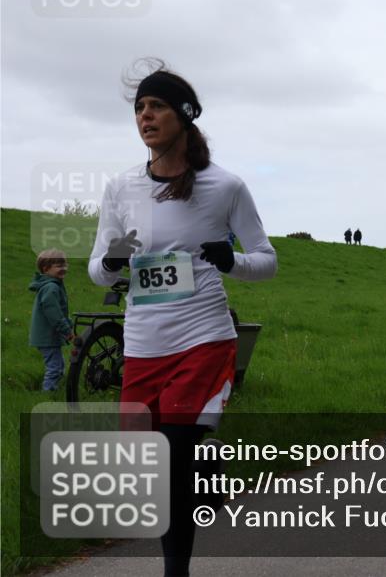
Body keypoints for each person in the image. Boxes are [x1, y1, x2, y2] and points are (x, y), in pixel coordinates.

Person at [88, 61, 277, 577]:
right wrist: (111, 263)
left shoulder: (224, 186)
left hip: (203, 339)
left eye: (157, 107)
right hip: (143, 346)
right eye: (139, 108)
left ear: (185, 116)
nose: (145, 117)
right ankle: (208, 467)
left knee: (171, 463)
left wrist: (230, 260)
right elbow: (96, 272)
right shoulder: (121, 187)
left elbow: (268, 260)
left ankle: (176, 570)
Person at [29, 249, 74, 391]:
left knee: (58, 366)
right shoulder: (51, 287)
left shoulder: (54, 285)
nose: (64, 269)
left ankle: (52, 391)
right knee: (54, 368)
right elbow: (53, 313)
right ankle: (47, 394)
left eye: (65, 265)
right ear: (46, 269)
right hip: (47, 336)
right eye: (59, 266)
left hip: (48, 335)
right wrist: (67, 330)